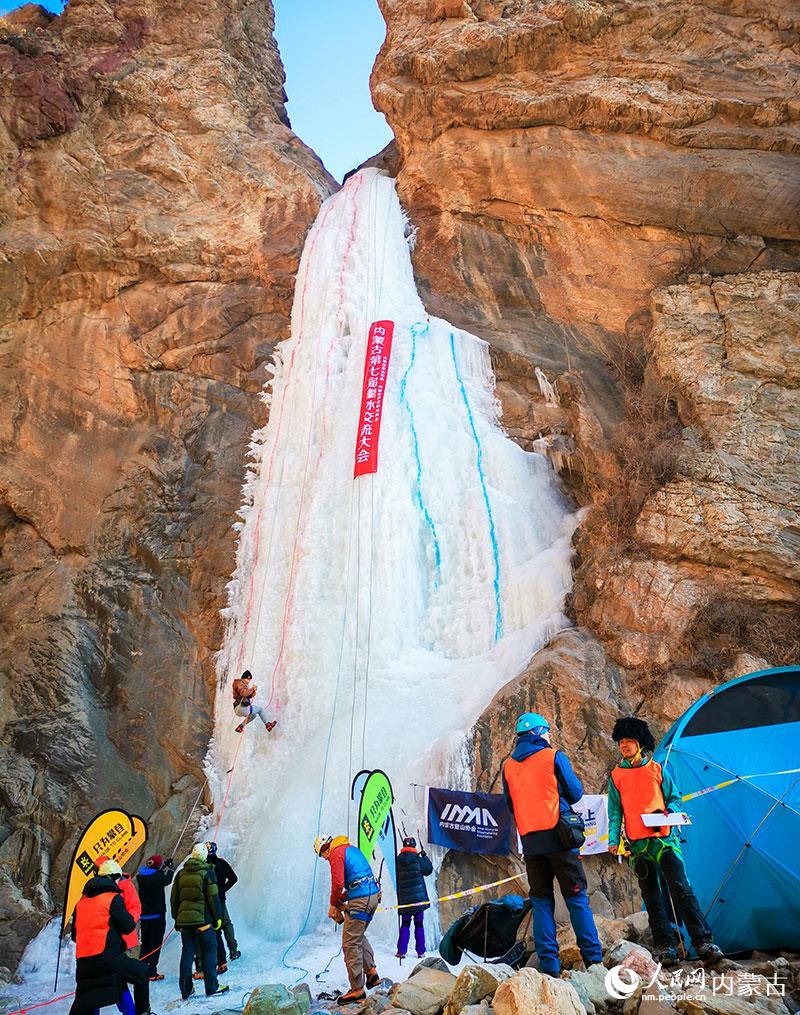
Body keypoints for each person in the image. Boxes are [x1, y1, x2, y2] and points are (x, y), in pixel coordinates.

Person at [608, 716, 724, 965]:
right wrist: (613, 839)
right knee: (652, 897)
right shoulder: (616, 777)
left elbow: (675, 799)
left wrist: (670, 814)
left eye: (629, 741)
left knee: (681, 889)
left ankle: (703, 942)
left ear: (640, 743)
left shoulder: (657, 770)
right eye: (621, 742)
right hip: (638, 847)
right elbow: (615, 812)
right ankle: (665, 946)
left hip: (665, 842)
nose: (624, 746)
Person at [502, 712, 603, 977]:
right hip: (560, 838)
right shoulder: (553, 756)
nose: (549, 735)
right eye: (547, 730)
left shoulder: (508, 766)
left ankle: (549, 967)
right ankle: (593, 960)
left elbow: (510, 804)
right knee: (577, 899)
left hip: (531, 844)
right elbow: (576, 792)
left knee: (541, 902)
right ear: (537, 732)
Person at [69, 868, 152, 1015]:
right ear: (112, 878)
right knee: (141, 972)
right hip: (109, 959)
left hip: (84, 965)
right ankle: (143, 1012)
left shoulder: (81, 903)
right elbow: (128, 926)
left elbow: (75, 936)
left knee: (92, 994)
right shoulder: (112, 898)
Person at [315, 834, 382, 1006]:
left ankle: (357, 989)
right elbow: (354, 882)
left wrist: (334, 905)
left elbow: (338, 883)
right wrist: (341, 900)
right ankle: (372, 973)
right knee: (357, 935)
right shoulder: (350, 849)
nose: (325, 858)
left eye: (322, 855)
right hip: (372, 896)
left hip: (361, 899)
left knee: (350, 943)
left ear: (324, 849)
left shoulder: (335, 853)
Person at [170, 842, 230, 1000]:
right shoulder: (207, 873)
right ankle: (212, 987)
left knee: (187, 953)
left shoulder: (181, 874)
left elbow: (174, 899)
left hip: (184, 923)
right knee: (209, 950)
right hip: (203, 921)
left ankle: (186, 990)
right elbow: (213, 898)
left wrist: (177, 919)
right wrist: (217, 919)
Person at [136, 855, 175, 980]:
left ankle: (142, 969)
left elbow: (157, 873)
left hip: (145, 916)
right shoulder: (156, 877)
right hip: (157, 915)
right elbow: (168, 879)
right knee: (155, 944)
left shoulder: (142, 876)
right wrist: (170, 868)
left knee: (145, 943)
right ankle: (152, 971)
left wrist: (163, 866)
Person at [395, 837, 433, 959]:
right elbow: (428, 870)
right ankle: (420, 952)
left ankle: (401, 951)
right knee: (419, 924)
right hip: (418, 899)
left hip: (405, 900)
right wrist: (424, 857)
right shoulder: (417, 859)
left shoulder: (397, 860)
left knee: (405, 924)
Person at [205, 842, 240, 962]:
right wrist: (223, 889)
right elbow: (233, 878)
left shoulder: (203, 865)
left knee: (213, 927)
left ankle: (215, 956)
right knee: (226, 924)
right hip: (220, 900)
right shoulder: (221, 863)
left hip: (206, 902)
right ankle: (233, 951)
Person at [232, 670, 277, 734]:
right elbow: (244, 693)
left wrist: (253, 691)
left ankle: (240, 727)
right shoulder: (240, 683)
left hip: (238, 709)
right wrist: (252, 689)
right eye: (248, 679)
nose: (249, 681)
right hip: (241, 707)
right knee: (260, 709)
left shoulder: (241, 684)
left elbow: (248, 696)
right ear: (245, 678)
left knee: (253, 715)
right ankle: (268, 725)